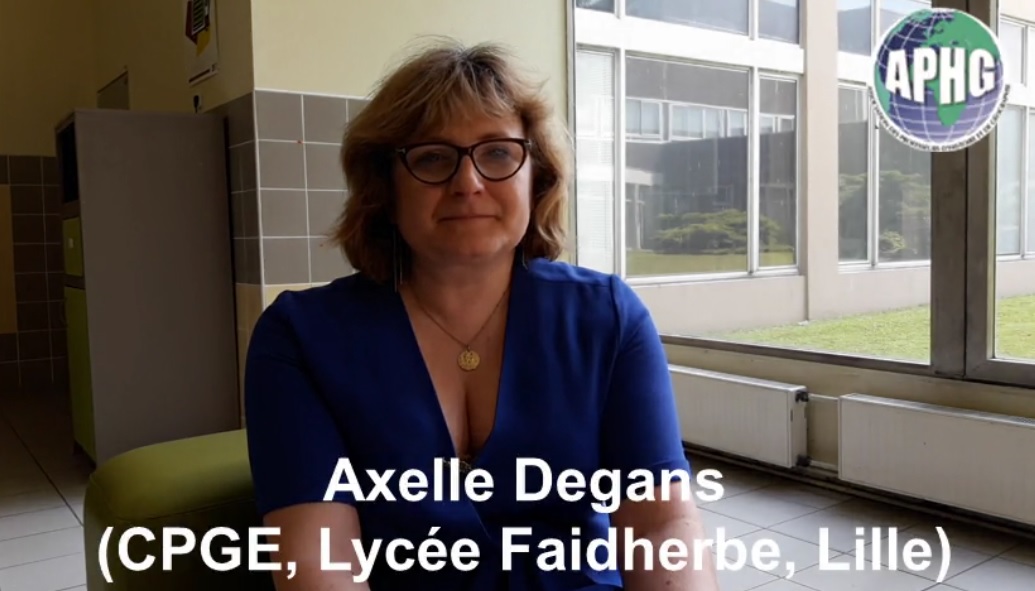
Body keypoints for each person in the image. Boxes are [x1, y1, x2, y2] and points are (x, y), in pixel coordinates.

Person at [244, 38, 719, 591]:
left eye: (497, 153)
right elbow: (319, 562)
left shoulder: (608, 318)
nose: (467, 183)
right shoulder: (299, 338)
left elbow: (662, 526)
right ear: (385, 189)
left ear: (535, 177)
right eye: (432, 157)